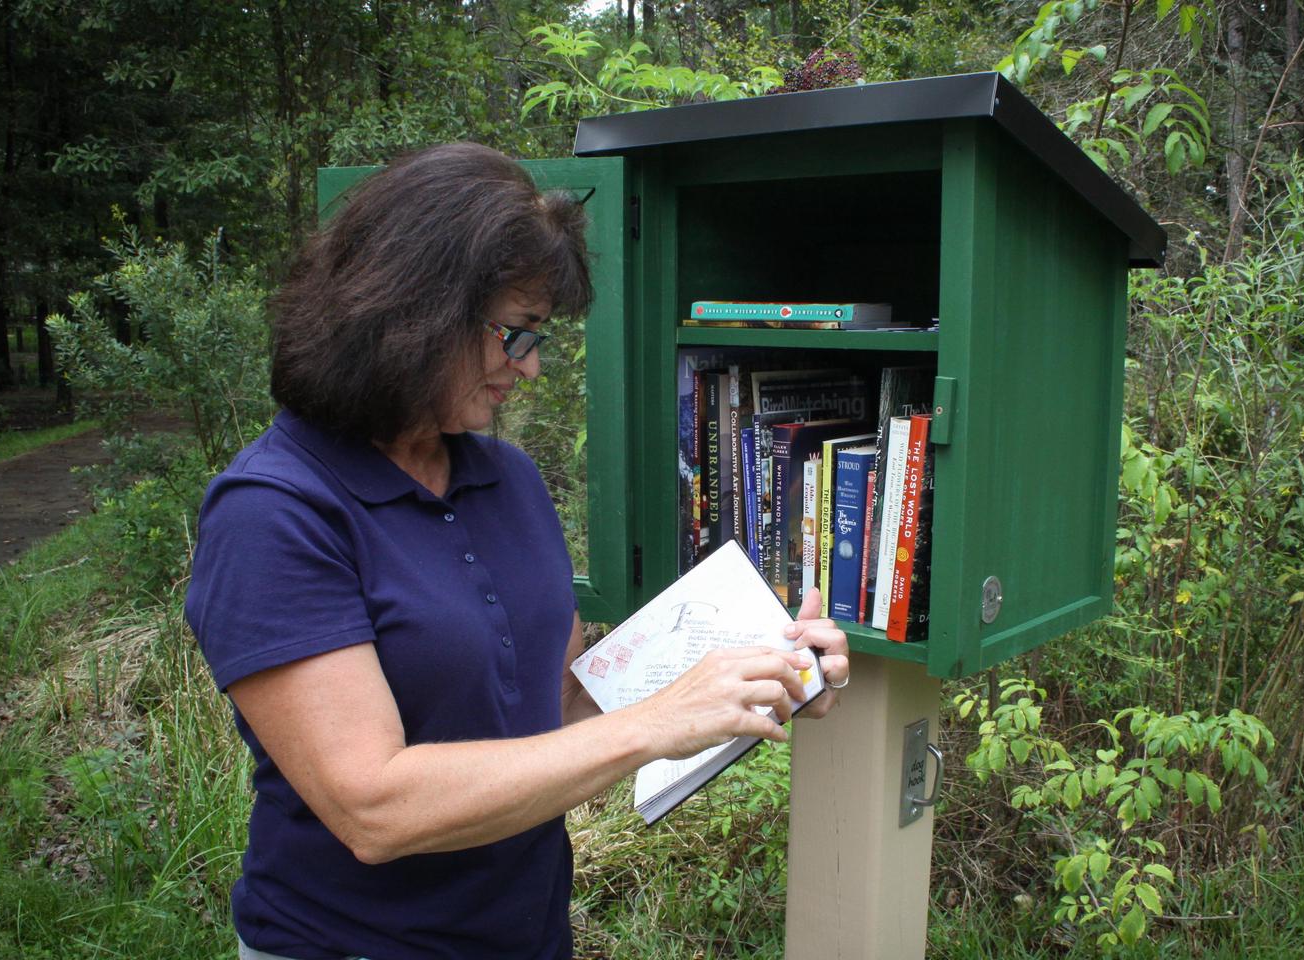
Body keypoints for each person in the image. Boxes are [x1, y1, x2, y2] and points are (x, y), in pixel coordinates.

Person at [185, 141, 851, 960]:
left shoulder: (505, 476)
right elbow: (374, 809)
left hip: (526, 933)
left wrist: (757, 675)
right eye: (516, 334)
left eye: (538, 338)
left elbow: (560, 707)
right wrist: (655, 725)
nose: (527, 370)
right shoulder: (274, 513)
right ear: (411, 310)